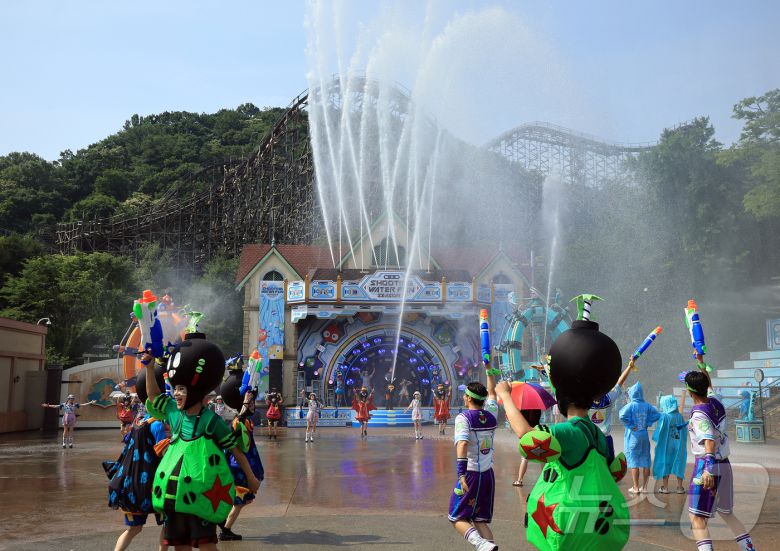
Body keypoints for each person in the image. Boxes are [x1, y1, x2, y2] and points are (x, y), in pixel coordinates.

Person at [498, 312, 630, 551]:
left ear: (561, 398)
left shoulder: (568, 432)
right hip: (595, 526)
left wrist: (506, 397)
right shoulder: (597, 434)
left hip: (569, 524)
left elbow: (527, 437)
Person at [142, 332, 261, 551]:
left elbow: (235, 449)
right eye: (176, 388)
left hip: (203, 495)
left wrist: (251, 478)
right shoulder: (173, 414)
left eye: (181, 389)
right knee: (180, 546)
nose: (176, 394)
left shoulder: (210, 421)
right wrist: (149, 368)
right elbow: (153, 396)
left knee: (207, 545)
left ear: (195, 390)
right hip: (173, 496)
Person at [685, 370, 756, 551]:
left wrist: (708, 470)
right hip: (725, 464)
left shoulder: (699, 414)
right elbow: (708, 386)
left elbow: (708, 441)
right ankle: (749, 549)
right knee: (727, 513)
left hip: (707, 465)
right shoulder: (716, 402)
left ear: (690, 392)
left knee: (697, 518)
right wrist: (700, 361)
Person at [106, 363, 170, 551]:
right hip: (154, 484)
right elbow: (163, 454)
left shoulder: (137, 422)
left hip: (132, 483)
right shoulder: (157, 425)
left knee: (134, 529)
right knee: (168, 525)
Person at [448, 373, 499, 551]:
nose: (463, 397)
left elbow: (462, 443)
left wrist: (461, 473)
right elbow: (492, 393)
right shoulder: (492, 413)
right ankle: (488, 547)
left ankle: (480, 544)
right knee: (479, 520)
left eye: (464, 395)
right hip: (487, 475)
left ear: (469, 398)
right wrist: (489, 370)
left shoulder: (464, 418)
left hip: (470, 475)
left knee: (456, 516)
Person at [218, 374, 265, 541]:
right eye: (251, 403)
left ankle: (223, 524)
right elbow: (241, 416)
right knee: (239, 500)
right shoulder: (239, 420)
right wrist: (246, 399)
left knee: (241, 500)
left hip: (242, 464)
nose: (253, 405)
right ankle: (225, 529)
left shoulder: (243, 420)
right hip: (238, 466)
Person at [619, 381, 661, 494]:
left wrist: (631, 425)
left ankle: (636, 487)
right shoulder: (647, 405)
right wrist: (648, 422)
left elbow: (621, 415)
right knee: (646, 460)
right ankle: (645, 487)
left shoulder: (631, 405)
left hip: (633, 436)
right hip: (644, 435)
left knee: (634, 462)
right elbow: (658, 415)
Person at [590, 359, 634, 463]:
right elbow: (620, 382)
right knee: (609, 467)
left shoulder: (585, 401)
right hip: (605, 439)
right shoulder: (608, 398)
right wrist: (629, 367)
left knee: (590, 468)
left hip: (590, 439)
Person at [652, 394, 688, 494]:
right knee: (679, 463)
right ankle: (680, 487)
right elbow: (684, 431)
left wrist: (656, 440)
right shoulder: (679, 416)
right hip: (678, 445)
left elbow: (659, 432)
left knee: (665, 463)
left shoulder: (665, 416)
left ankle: (665, 488)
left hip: (666, 446)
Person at [512, 409, 541, 487]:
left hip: (526, 433)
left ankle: (520, 480)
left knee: (524, 458)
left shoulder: (522, 410)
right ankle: (545, 479)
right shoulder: (537, 408)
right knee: (542, 457)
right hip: (537, 431)